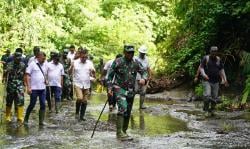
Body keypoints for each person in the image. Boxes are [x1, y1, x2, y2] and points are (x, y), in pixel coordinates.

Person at [107, 44, 148, 140]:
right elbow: (109, 76)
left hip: (130, 90)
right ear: (124, 52)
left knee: (128, 111)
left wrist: (144, 79)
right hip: (118, 88)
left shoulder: (136, 62)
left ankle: (124, 132)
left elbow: (144, 72)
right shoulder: (118, 62)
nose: (130, 54)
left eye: (132, 52)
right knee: (123, 107)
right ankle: (119, 133)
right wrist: (109, 88)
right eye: (128, 52)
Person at [200, 46, 229, 116]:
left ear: (217, 52)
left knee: (215, 97)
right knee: (207, 95)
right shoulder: (206, 58)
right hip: (207, 80)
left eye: (215, 52)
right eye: (212, 51)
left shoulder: (218, 59)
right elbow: (201, 68)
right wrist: (204, 74)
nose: (214, 53)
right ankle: (206, 110)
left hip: (216, 81)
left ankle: (212, 110)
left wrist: (225, 79)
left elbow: (222, 70)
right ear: (210, 51)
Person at [69, 48, 95, 121]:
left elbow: (93, 73)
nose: (84, 59)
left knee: (84, 101)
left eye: (86, 57)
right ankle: (77, 112)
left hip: (86, 84)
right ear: (80, 56)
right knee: (80, 98)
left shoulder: (90, 63)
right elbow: (69, 72)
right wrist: (71, 67)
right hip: (77, 83)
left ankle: (82, 116)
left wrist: (93, 72)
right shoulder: (75, 62)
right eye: (83, 57)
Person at [24, 51, 48, 126]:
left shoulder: (45, 65)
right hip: (34, 88)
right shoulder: (32, 64)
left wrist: (46, 80)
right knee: (32, 104)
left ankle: (41, 121)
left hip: (42, 88)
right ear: (38, 57)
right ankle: (26, 119)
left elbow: (45, 74)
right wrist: (28, 87)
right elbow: (27, 75)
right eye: (42, 58)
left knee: (43, 104)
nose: (44, 60)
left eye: (45, 58)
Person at [4, 52, 26, 124]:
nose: (18, 59)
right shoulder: (9, 64)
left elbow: (24, 76)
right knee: (9, 100)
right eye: (17, 58)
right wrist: (5, 73)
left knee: (20, 100)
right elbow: (5, 75)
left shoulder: (23, 65)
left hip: (20, 85)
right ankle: (8, 116)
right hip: (11, 85)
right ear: (14, 58)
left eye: (20, 58)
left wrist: (25, 85)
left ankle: (20, 117)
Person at [134, 45, 151, 109]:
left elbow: (148, 68)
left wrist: (149, 76)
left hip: (144, 78)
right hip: (136, 78)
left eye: (143, 53)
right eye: (141, 53)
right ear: (139, 52)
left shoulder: (147, 59)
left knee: (143, 92)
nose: (142, 54)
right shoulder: (135, 58)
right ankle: (130, 105)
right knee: (134, 91)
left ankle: (141, 105)